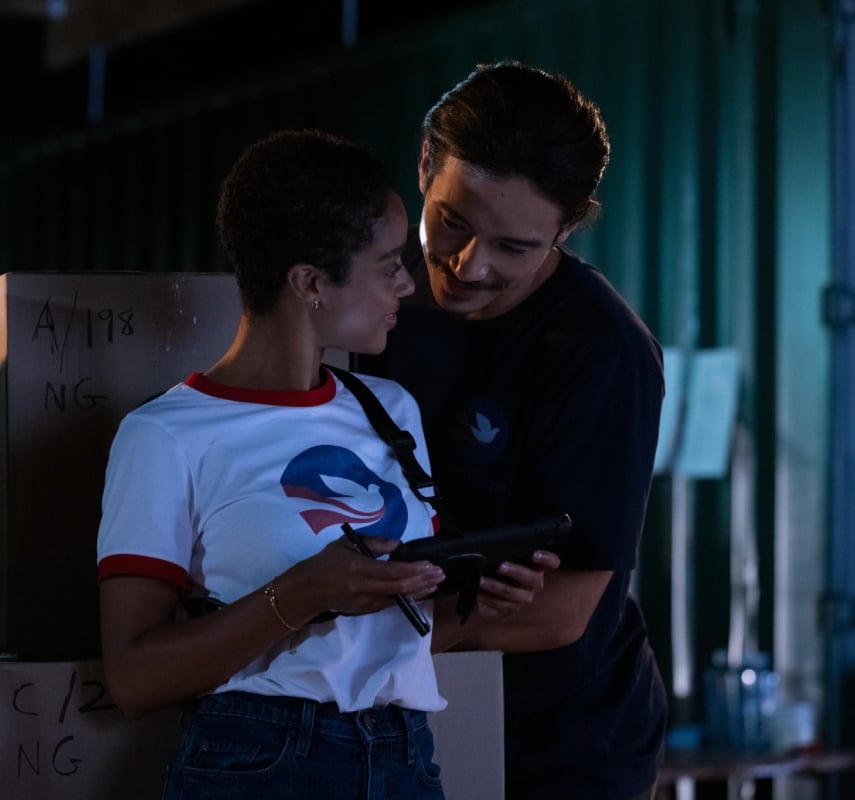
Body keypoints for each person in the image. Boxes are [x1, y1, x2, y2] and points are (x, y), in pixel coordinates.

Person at [95, 128, 559, 800]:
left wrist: (482, 604)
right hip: (261, 761)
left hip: (404, 759)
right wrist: (302, 594)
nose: (407, 284)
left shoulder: (390, 411)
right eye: (386, 264)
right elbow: (134, 678)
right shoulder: (166, 435)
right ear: (309, 283)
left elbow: (387, 641)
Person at [356, 61, 668, 799]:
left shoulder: (605, 355)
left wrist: (349, 632)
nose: (468, 265)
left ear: (565, 227)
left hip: (558, 739)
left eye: (515, 248)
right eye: (452, 222)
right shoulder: (363, 288)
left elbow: (559, 611)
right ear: (427, 164)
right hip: (387, 702)